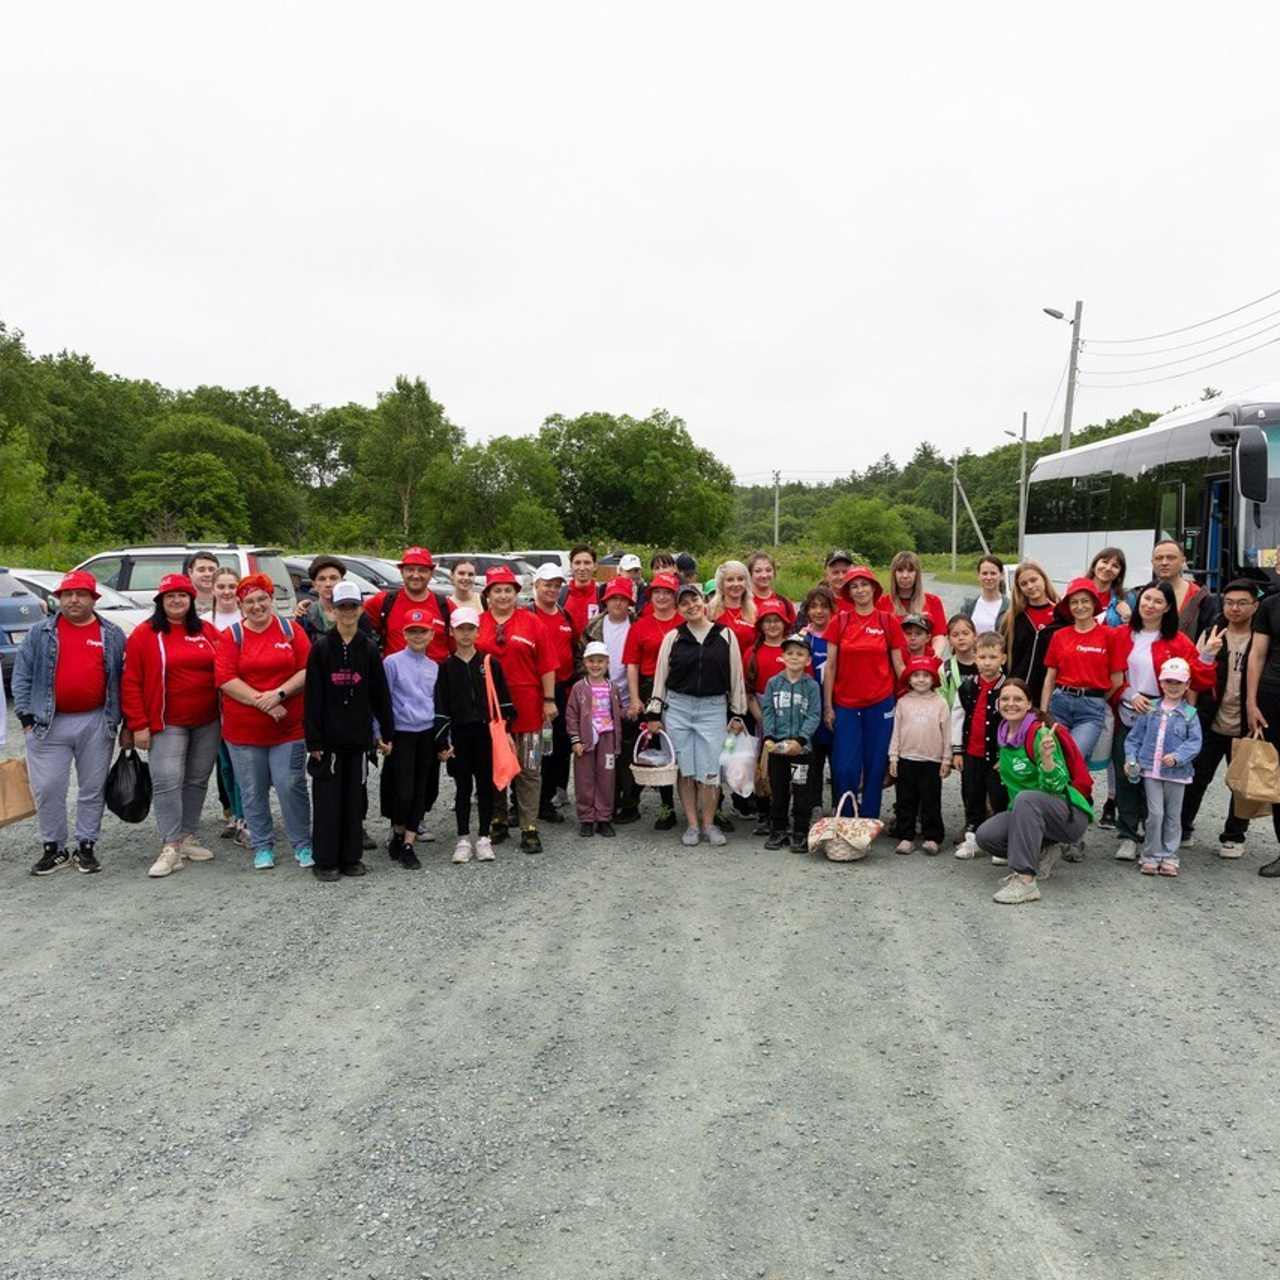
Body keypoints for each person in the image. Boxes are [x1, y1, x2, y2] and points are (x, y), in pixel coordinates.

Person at [12, 570, 126, 876]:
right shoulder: (41, 633)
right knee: (48, 787)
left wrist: (123, 721)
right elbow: (21, 675)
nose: (73, 600)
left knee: (92, 788)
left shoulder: (112, 634)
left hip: (96, 720)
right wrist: (25, 717)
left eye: (81, 594)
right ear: (59, 598)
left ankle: (86, 846)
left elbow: (122, 680)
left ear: (93, 599)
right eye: (67, 594)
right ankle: (54, 847)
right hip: (48, 723)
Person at [121, 573, 222, 879]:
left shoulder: (206, 630)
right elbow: (131, 682)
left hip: (207, 720)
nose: (176, 601)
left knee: (197, 779)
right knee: (167, 781)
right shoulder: (145, 634)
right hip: (166, 722)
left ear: (192, 600)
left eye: (182, 595)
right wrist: (138, 724)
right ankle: (170, 846)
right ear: (160, 602)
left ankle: (187, 836)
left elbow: (227, 667)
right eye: (169, 596)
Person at [1110, 580, 1215, 862]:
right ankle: (1128, 834)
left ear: (1168, 607)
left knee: (1155, 776)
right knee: (1127, 772)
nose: (1149, 605)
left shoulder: (1178, 641)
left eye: (1158, 601)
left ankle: (1153, 835)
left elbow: (1201, 678)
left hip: (1164, 716)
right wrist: (1128, 694)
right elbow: (1109, 674)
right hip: (1129, 709)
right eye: (1146, 599)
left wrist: (1207, 655)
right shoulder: (1121, 634)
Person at [215, 573, 312, 871]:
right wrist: (266, 702)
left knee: (290, 784)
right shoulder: (232, 636)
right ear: (241, 605)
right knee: (252, 789)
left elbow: (308, 669)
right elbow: (226, 679)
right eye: (249, 602)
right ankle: (262, 844)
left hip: (289, 728)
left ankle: (302, 844)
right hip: (245, 731)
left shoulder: (290, 630)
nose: (256, 606)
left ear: (271, 599)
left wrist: (280, 694)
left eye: (262, 599)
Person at [644, 583, 748, 847]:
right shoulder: (674, 638)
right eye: (684, 603)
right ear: (678, 608)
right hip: (678, 708)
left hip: (713, 708)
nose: (691, 606)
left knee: (710, 770)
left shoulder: (725, 635)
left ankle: (709, 823)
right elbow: (661, 678)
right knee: (686, 769)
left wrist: (737, 713)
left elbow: (736, 676)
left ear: (704, 601)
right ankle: (692, 824)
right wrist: (654, 711)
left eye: (694, 600)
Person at [304, 581, 393, 881]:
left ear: (359, 609)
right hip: (328, 741)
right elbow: (313, 696)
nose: (348, 612)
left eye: (353, 606)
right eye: (342, 607)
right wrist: (313, 739)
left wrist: (386, 733)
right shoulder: (321, 648)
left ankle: (351, 856)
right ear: (333, 610)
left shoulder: (368, 648)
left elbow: (380, 694)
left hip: (357, 739)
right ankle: (326, 859)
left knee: (354, 801)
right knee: (328, 801)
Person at [977, 679, 1094, 905]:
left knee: (1026, 799)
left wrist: (1048, 760)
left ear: (1029, 703)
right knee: (986, 836)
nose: (1011, 704)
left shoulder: (1039, 734)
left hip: (1068, 815)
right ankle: (1044, 851)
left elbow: (1056, 786)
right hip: (1031, 812)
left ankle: (1026, 881)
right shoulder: (1003, 736)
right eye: (1005, 699)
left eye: (1018, 699)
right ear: (998, 703)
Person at [477, 564, 556, 854]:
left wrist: (549, 700)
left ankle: (529, 826)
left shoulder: (532, 622)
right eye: (496, 590)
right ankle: (498, 819)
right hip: (491, 711)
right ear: (487, 594)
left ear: (516, 593)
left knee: (529, 769)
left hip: (529, 707)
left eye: (508, 590)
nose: (502, 596)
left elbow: (547, 663)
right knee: (497, 766)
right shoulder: (477, 623)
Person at [1181, 579, 1258, 856]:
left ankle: (1234, 835)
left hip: (1247, 722)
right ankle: (1183, 827)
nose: (1234, 608)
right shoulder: (1212, 631)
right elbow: (1194, 675)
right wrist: (1190, 712)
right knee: (1197, 776)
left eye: (1241, 603)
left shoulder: (1262, 636)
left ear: (1255, 605)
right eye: (1229, 602)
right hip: (1211, 718)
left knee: (1241, 782)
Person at [822, 566, 905, 822]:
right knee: (845, 766)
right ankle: (846, 817)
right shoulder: (841, 621)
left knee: (875, 765)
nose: (860, 590)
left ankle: (869, 820)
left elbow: (899, 665)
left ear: (873, 588)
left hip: (880, 703)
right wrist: (828, 706)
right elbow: (831, 665)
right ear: (848, 592)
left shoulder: (887, 620)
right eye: (854, 586)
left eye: (864, 584)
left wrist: (919, 689)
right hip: (846, 704)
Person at [434, 607, 512, 864]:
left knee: (485, 785)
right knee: (462, 786)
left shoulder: (489, 663)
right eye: (460, 629)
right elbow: (441, 705)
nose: (465, 634)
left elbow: (502, 700)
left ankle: (484, 837)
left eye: (470, 629)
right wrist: (443, 739)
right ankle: (463, 838)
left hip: (485, 732)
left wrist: (507, 733)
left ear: (478, 631)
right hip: (459, 733)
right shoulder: (446, 667)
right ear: (452, 632)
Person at [1124, 657, 1202, 877]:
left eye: (1178, 682)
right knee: (1155, 814)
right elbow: (1134, 738)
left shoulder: (1189, 715)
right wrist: (1132, 759)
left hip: (1177, 773)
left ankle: (1169, 856)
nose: (1173, 687)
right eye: (1169, 681)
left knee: (1172, 816)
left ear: (1187, 685)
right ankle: (1150, 855)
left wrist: (1178, 757)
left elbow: (1195, 742)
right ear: (1161, 682)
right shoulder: (1150, 710)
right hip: (1151, 771)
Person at [382, 607, 440, 871]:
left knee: (421, 789)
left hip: (426, 733)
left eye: (423, 631)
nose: (418, 636)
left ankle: (408, 843)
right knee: (402, 790)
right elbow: (383, 702)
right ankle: (397, 829)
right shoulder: (392, 663)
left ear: (431, 634)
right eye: (412, 631)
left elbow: (438, 704)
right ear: (404, 633)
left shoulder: (434, 667)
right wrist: (380, 734)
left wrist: (443, 738)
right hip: (402, 733)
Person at [623, 571, 682, 829]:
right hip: (649, 687)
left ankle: (679, 807)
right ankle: (648, 804)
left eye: (667, 593)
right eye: (657, 592)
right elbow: (632, 665)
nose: (662, 597)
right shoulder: (641, 625)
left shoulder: (684, 621)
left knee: (676, 746)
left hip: (680, 688)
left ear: (675, 597)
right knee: (651, 745)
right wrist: (635, 697)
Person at [1040, 578, 1123, 761]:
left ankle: (1079, 790)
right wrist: (1044, 712)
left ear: (1094, 603)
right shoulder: (1059, 636)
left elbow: (1117, 680)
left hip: (1090, 711)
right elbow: (1050, 678)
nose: (1080, 606)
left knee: (1073, 757)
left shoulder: (1110, 635)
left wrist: (1095, 698)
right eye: (1074, 602)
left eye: (1085, 601)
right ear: (1068, 607)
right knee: (1052, 757)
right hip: (1059, 704)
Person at [581, 576, 640, 822]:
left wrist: (639, 698)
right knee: (604, 754)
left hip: (630, 698)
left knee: (629, 753)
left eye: (622, 598)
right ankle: (606, 802)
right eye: (613, 598)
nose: (617, 603)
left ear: (630, 601)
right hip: (601, 700)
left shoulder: (637, 624)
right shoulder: (594, 626)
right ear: (605, 600)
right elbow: (581, 659)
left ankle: (630, 803)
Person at [759, 632, 822, 851]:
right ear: (782, 657)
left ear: (808, 660)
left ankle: (800, 832)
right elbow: (767, 711)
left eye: (800, 654)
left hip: (802, 750)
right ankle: (778, 830)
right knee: (779, 790)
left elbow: (814, 715)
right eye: (790, 653)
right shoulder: (774, 683)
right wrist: (768, 736)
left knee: (802, 791)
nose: (794, 657)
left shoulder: (811, 686)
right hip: (777, 748)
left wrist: (800, 740)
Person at [952, 631, 1009, 859]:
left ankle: (1000, 843)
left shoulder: (1009, 689)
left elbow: (1015, 723)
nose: (987, 662)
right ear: (975, 658)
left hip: (997, 757)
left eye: (993, 657)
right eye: (983, 657)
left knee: (999, 798)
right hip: (971, 753)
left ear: (1002, 659)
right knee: (972, 796)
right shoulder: (967, 687)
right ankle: (973, 838)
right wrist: (957, 750)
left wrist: (1008, 754)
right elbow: (957, 717)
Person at [889, 656, 951, 855]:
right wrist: (893, 757)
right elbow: (896, 731)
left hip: (931, 760)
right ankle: (906, 836)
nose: (921, 680)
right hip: (906, 758)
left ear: (934, 679)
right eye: (916, 675)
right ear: (909, 679)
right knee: (905, 800)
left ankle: (932, 837)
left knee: (931, 800)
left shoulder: (940, 703)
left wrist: (946, 759)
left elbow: (947, 733)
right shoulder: (903, 702)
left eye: (926, 675)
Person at [529, 563, 577, 824]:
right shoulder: (527, 613)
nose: (552, 590)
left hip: (560, 692)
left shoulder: (564, 616)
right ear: (536, 585)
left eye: (557, 585)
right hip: (533, 692)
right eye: (547, 584)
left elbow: (574, 650)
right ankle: (523, 801)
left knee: (557, 747)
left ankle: (546, 799)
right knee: (533, 748)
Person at [566, 640, 623, 837]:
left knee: (606, 779)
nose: (596, 665)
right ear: (585, 663)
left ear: (607, 663)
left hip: (607, 738)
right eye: (592, 661)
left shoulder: (612, 688)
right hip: (585, 739)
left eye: (600, 661)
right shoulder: (578, 688)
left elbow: (617, 712)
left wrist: (631, 712)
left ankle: (604, 818)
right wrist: (575, 739)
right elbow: (571, 715)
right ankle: (587, 818)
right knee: (584, 779)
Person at [1244, 582, 1280, 878]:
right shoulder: (1270, 605)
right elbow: (1256, 655)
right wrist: (1251, 702)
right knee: (1277, 777)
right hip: (1273, 698)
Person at [210, 566, 247, 844]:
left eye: (231, 586)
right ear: (212, 590)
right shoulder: (201, 622)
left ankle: (247, 816)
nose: (226, 592)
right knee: (225, 766)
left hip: (243, 702)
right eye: (221, 586)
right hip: (213, 705)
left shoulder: (248, 617)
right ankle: (233, 812)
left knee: (242, 764)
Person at [363, 546, 450, 662]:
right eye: (410, 569)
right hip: (394, 678)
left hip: (436, 677)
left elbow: (459, 647)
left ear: (431, 574)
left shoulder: (445, 606)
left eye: (422, 570)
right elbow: (350, 619)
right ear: (401, 572)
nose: (415, 575)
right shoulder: (383, 602)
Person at [798, 586, 837, 809]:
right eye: (813, 607)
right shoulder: (803, 638)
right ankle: (814, 807)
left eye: (824, 606)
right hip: (809, 710)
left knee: (838, 761)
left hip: (835, 707)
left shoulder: (839, 634)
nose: (819, 611)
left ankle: (837, 806)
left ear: (833, 609)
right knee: (813, 761)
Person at [1002, 560, 1062, 705]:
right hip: (1018, 693)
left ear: (1043, 579)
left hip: (1051, 693)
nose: (1030, 586)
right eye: (1024, 583)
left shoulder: (1061, 616)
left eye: (1033, 580)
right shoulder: (1013, 618)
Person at [1147, 539, 1218, 638]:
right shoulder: (1141, 595)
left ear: (1183, 561)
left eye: (1171, 558)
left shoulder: (1202, 598)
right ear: (1152, 562)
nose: (1164, 563)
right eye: (1159, 558)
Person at [881, 551, 946, 656]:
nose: (905, 575)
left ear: (917, 574)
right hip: (891, 665)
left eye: (910, 570)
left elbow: (938, 636)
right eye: (900, 570)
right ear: (893, 574)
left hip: (923, 666)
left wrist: (934, 658)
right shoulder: (881, 603)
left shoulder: (933, 601)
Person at [298, 555, 374, 642]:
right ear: (314, 585)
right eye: (322, 579)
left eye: (333, 578)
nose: (328, 584)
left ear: (343, 582)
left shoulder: (358, 615)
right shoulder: (305, 616)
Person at [708, 560, 757, 655]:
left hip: (747, 667)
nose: (736, 584)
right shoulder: (710, 612)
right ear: (721, 584)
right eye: (730, 580)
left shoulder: (755, 612)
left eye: (740, 579)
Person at [960, 555, 1008, 636]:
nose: (988, 577)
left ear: (1002, 575)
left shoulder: (1010, 607)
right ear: (978, 575)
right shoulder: (968, 607)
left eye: (993, 573)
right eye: (984, 573)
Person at [746, 552, 796, 627]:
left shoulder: (785, 603)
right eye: (758, 571)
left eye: (768, 570)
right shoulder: (743, 602)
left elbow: (793, 632)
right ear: (750, 574)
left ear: (774, 573)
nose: (764, 575)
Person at [561, 544, 602, 634]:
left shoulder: (602, 595)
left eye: (587, 563)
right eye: (577, 563)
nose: (582, 568)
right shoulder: (560, 595)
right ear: (571, 566)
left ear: (595, 566)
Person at [939, 615, 978, 710]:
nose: (961, 638)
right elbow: (941, 700)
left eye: (965, 633)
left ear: (975, 636)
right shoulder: (945, 669)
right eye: (955, 635)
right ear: (949, 640)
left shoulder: (987, 664)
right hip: (955, 720)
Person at [1088, 547, 1131, 627]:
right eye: (1105, 562)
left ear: (1119, 574)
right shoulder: (1077, 592)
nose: (1108, 568)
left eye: (1115, 566)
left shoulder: (1127, 599)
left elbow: (1136, 632)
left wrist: (1127, 619)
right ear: (1095, 565)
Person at [183, 550, 221, 615]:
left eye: (212, 570)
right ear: (190, 573)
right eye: (201, 570)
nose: (207, 574)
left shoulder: (227, 600)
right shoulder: (182, 602)